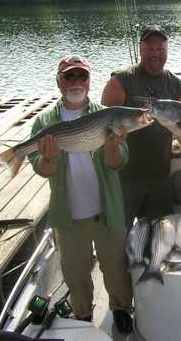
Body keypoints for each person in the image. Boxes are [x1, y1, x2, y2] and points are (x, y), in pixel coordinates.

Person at [28, 55, 133, 334]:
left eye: (82, 76)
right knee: (76, 274)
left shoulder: (107, 115)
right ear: (59, 82)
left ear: (89, 81)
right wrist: (48, 159)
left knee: (116, 267)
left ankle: (121, 309)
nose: (76, 82)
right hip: (69, 215)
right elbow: (42, 169)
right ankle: (83, 314)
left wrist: (112, 146)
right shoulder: (43, 122)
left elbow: (117, 163)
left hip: (107, 210)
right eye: (69, 76)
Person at [101, 24, 181, 229]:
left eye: (160, 49)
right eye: (150, 48)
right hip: (124, 178)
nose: (155, 54)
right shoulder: (121, 81)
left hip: (160, 177)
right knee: (120, 237)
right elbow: (101, 126)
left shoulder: (178, 86)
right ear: (140, 49)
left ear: (166, 51)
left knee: (160, 238)